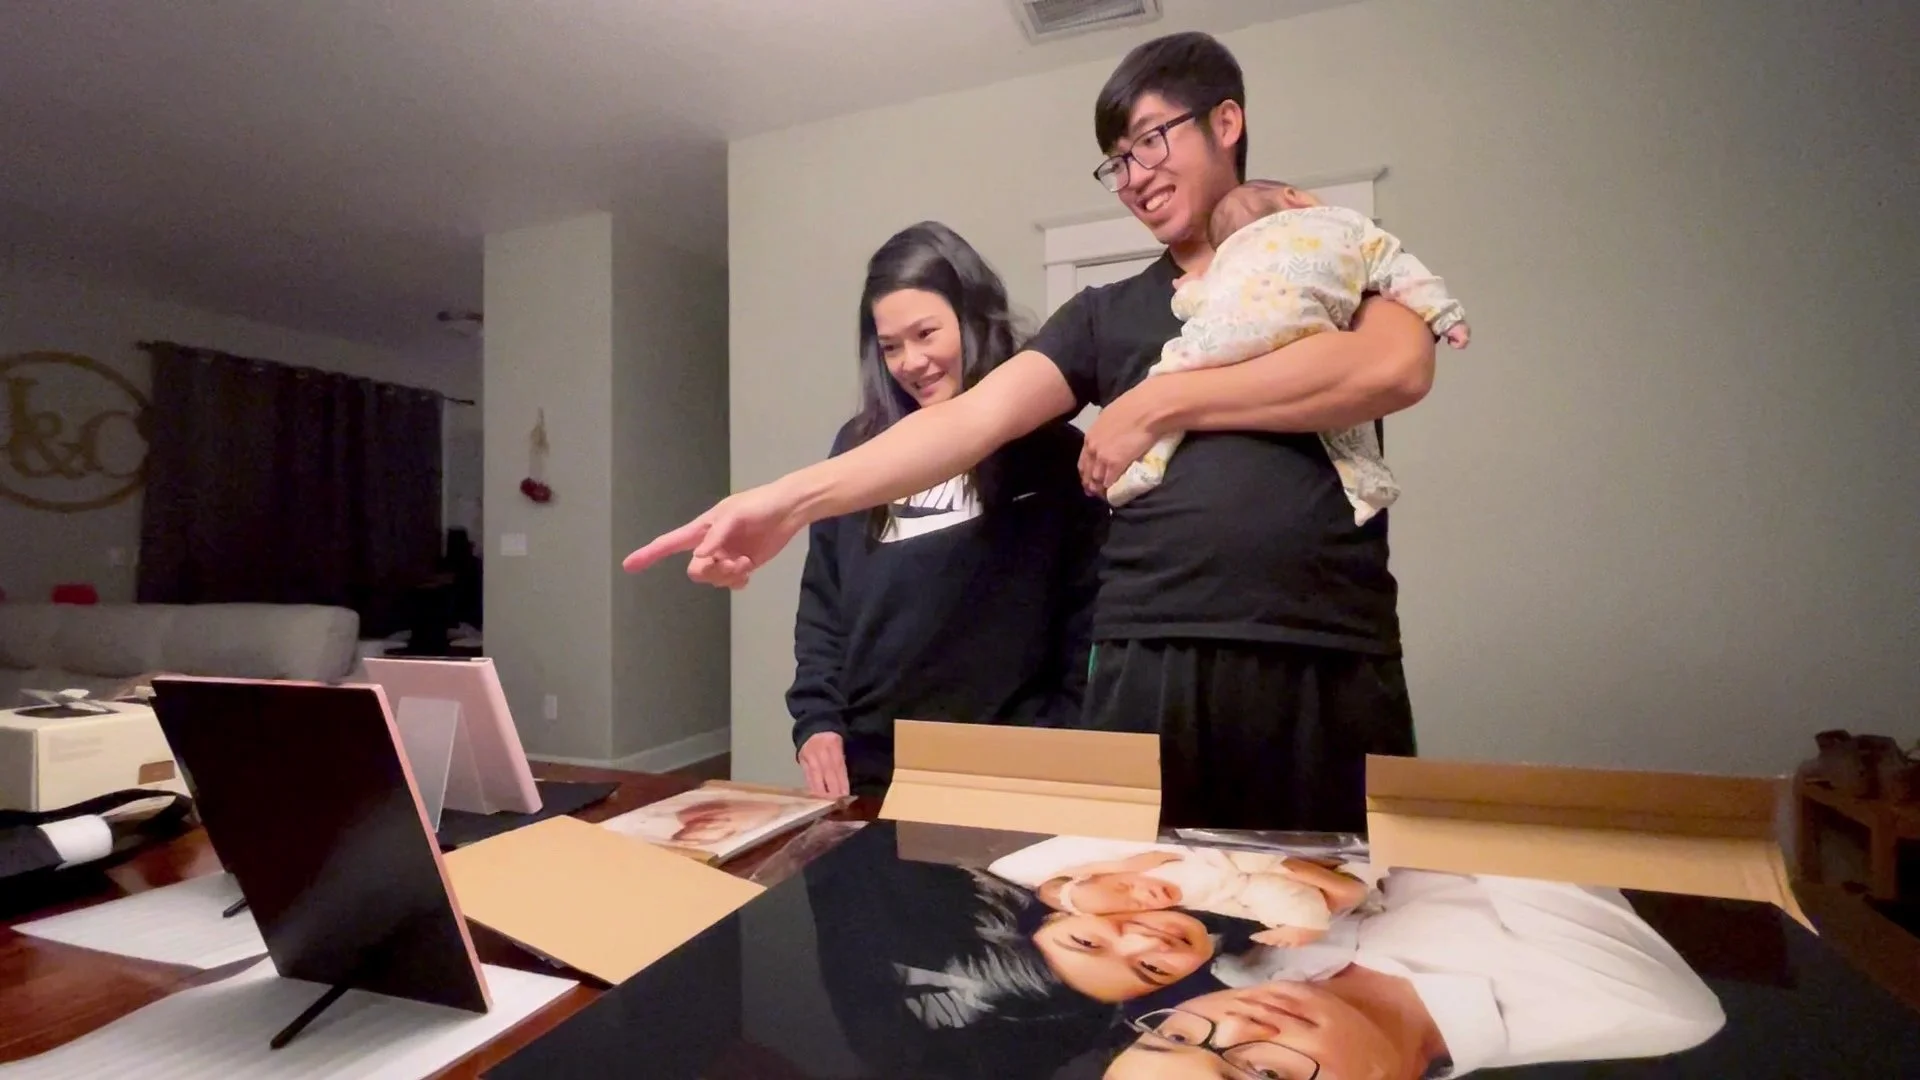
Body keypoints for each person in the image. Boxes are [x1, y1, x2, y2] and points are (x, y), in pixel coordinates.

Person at [624, 32, 1439, 832]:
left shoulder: (1328, 260)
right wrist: (787, 501)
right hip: (1151, 658)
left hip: (1326, 644)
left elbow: (1394, 369)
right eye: (1117, 161)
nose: (1134, 177)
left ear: (1225, 122)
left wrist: (1156, 405)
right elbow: (968, 421)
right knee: (1149, 907)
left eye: (1150, 141)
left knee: (1335, 900)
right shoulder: (1102, 316)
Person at [784, 221, 1106, 798]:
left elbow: (1089, 617)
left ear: (972, 319)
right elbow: (823, 604)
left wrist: (1061, 736)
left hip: (1009, 773)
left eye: (926, 333)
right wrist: (817, 720)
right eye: (890, 347)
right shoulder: (858, 450)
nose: (910, 362)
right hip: (871, 767)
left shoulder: (1050, 453)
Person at [1101, 870, 1728, 1079]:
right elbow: (1500, 809)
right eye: (1265, 1075)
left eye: (1174, 1037)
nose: (1237, 1024)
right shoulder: (1629, 1007)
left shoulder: (1231, 959)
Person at [1106, 180, 1470, 522]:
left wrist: (1186, 290)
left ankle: (1145, 468)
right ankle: (1366, 481)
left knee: (1168, 379)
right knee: (1337, 411)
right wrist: (1445, 315)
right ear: (1294, 196)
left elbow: (1199, 302)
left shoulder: (1229, 261)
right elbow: (1399, 269)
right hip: (1302, 330)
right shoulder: (1344, 223)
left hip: (1226, 333)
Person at [988, 836, 1372, 947]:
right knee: (1267, 898)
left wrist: (1127, 867)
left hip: (1245, 860)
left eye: (1128, 887)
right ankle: (1303, 923)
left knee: (1265, 876)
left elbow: (1060, 881)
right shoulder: (1189, 907)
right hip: (1250, 886)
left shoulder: (1155, 864)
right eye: (1133, 907)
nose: (1145, 896)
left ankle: (1304, 920)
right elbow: (1240, 898)